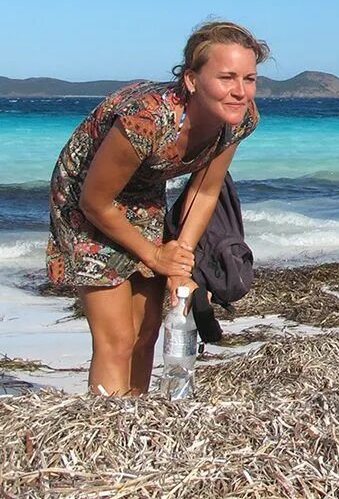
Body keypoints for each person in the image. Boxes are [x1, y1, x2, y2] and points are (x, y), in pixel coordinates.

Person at [45, 21, 269, 396]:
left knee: (147, 331)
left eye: (249, 78)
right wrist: (153, 254)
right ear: (192, 80)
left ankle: (137, 417)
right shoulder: (148, 118)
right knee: (117, 338)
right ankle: (108, 432)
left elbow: (205, 190)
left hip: (143, 193)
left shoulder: (239, 119)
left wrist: (179, 258)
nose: (240, 91)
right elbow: (95, 201)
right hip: (85, 196)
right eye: (227, 77)